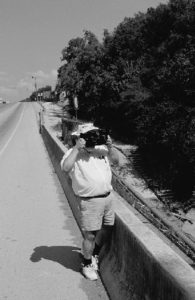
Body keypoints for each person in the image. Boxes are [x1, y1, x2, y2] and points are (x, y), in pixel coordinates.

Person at [60, 124, 119, 280]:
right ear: (80, 138)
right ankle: (86, 264)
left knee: (107, 228)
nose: (93, 139)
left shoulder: (101, 151)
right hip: (90, 201)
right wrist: (77, 149)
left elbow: (116, 161)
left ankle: (94, 254)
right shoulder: (72, 154)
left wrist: (110, 147)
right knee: (90, 236)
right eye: (89, 136)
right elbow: (65, 168)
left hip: (108, 197)